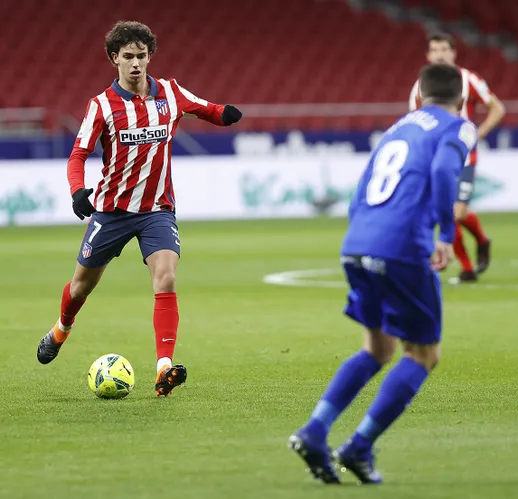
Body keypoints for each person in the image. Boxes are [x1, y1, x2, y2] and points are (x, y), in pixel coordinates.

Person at [288, 63, 477, 484]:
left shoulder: (397, 128)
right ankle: (358, 446)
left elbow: (361, 189)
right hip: (402, 246)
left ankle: (315, 430)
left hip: (357, 243)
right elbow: (446, 171)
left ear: (420, 95)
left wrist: (362, 237)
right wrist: (446, 233)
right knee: (423, 353)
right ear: (461, 100)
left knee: (378, 348)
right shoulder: (460, 126)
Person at [36, 20, 242, 396]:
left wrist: (224, 113)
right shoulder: (101, 106)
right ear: (114, 59)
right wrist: (78, 190)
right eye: (127, 57)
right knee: (81, 287)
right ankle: (61, 328)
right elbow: (78, 154)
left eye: (141, 56)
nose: (135, 64)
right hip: (112, 211)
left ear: (150, 58)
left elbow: (205, 108)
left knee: (166, 277)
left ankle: (164, 367)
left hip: (157, 210)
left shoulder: (170, 93)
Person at [410, 32, 506, 283]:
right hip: (434, 158)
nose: (440, 54)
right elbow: (415, 121)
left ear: (453, 53)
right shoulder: (420, 85)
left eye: (444, 49)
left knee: (458, 213)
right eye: (435, 50)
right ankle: (467, 268)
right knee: (449, 211)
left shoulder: (468, 79)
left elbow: (497, 108)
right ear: (428, 56)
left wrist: (478, 133)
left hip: (463, 155)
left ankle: (482, 240)